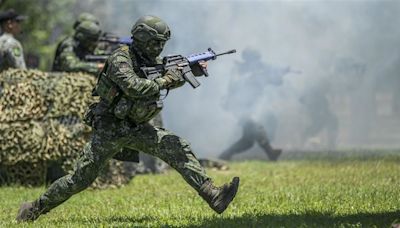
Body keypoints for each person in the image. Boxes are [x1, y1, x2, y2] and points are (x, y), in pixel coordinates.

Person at [16, 15, 239, 222]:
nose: (159, 48)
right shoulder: (119, 59)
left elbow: (165, 78)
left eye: (162, 43)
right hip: (110, 129)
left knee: (177, 147)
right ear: (142, 39)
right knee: (79, 179)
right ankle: (33, 209)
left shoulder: (151, 60)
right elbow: (134, 87)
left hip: (136, 126)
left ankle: (213, 195)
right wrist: (166, 80)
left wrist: (189, 72)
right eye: (155, 42)